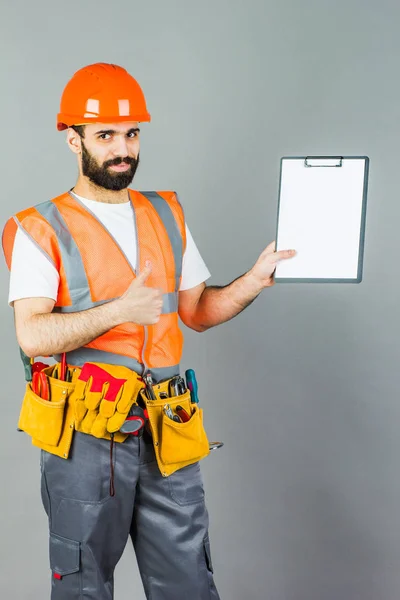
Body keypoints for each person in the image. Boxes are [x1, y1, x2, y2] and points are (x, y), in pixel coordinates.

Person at [1, 63, 296, 600]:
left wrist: (252, 282)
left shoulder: (165, 214)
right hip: (87, 435)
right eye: (106, 135)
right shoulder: (39, 228)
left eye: (132, 134)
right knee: (83, 585)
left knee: (188, 581)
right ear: (74, 140)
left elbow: (199, 311)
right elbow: (32, 336)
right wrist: (118, 311)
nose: (122, 148)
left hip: (167, 425)